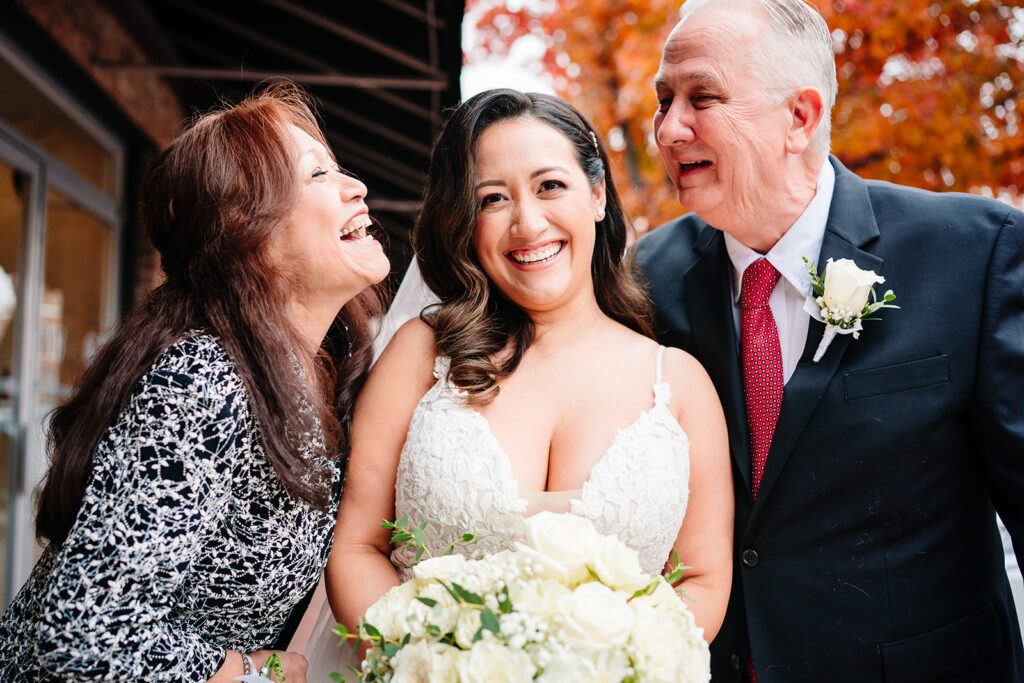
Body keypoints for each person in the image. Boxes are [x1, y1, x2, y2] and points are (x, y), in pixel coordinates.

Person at [634, 0, 1024, 680]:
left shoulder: (974, 256)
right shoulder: (644, 280)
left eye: (702, 97)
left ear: (800, 117)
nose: (669, 129)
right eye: (664, 100)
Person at [313, 88, 733, 672]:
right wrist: (430, 663)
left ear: (596, 194)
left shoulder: (679, 385)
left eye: (550, 186)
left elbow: (704, 581)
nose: (527, 222)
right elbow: (355, 547)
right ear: (465, 221)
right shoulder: (421, 354)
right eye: (491, 198)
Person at [0, 82, 388, 681]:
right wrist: (256, 672)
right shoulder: (204, 379)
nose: (355, 186)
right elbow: (82, 633)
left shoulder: (321, 374)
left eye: (337, 168)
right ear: (248, 232)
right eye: (317, 176)